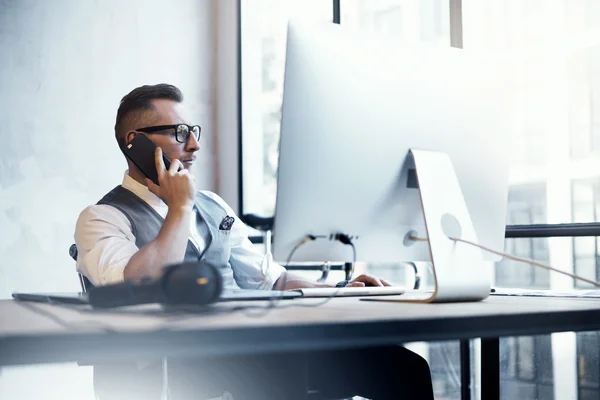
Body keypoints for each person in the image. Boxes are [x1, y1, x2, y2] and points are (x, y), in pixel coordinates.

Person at [74, 84, 434, 399]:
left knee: (404, 368)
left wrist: (337, 290)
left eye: (193, 131)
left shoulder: (213, 204)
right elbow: (141, 286)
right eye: (180, 133)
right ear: (135, 143)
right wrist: (179, 208)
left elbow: (271, 279)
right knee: (280, 362)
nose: (195, 145)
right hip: (179, 364)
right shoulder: (102, 217)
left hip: (254, 349)